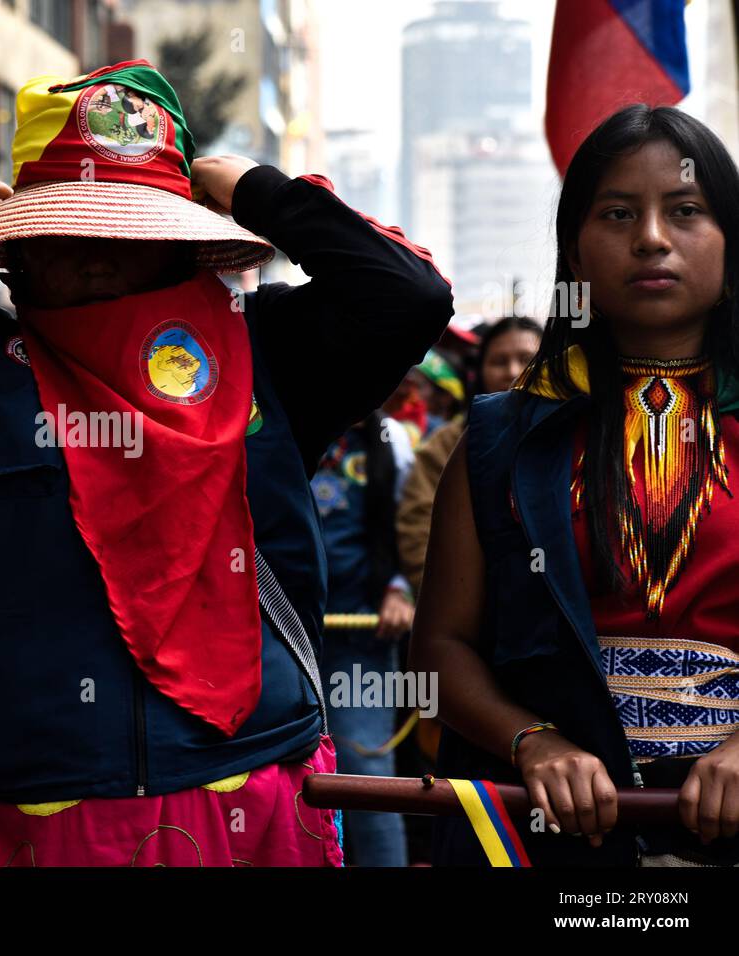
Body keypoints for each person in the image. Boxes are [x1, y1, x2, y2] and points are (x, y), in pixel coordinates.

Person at [0, 59, 452, 866]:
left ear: (180, 250)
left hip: (245, 795)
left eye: (130, 229)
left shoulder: (270, 348)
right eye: (67, 231)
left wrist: (261, 189)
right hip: (10, 806)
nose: (97, 255)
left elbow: (409, 296)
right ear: (15, 259)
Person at [412, 104, 739, 866]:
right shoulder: (500, 439)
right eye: (618, 212)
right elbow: (439, 652)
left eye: (686, 211)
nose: (652, 237)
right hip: (554, 839)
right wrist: (534, 742)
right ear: (576, 253)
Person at [312, 404, 415, 866]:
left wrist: (400, 590)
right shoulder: (271, 426)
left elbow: (412, 529)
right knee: (281, 776)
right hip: (277, 635)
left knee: (366, 775)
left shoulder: (392, 440)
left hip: (361, 635)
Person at [397, 316, 542, 597]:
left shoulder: (579, 436)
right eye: (499, 362)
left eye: (526, 359)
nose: (512, 371)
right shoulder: (447, 445)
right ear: (479, 371)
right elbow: (417, 533)